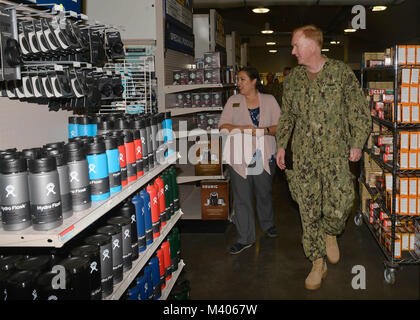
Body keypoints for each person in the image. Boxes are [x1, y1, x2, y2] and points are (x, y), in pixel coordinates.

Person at [275, 25, 371, 290]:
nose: (293, 51)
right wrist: (281, 145)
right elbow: (288, 116)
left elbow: (359, 111)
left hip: (336, 155)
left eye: (296, 45)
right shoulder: (294, 78)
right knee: (307, 210)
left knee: (342, 201)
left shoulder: (340, 73)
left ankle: (331, 231)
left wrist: (357, 143)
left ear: (312, 46)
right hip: (304, 157)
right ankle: (317, 262)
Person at [219, 67, 281, 255]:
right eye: (238, 79)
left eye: (243, 79)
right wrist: (242, 128)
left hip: (263, 155)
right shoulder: (233, 101)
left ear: (254, 81)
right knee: (242, 199)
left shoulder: (269, 101)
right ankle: (245, 238)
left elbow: (280, 127)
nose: (238, 83)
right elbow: (223, 125)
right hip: (239, 157)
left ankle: (267, 224)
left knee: (263, 193)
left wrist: (263, 131)